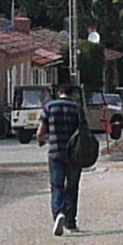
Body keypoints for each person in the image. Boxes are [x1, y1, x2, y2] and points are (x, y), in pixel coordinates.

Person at [41, 85, 93, 234]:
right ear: (72, 94)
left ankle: (59, 213)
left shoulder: (49, 107)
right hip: (74, 154)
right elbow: (85, 131)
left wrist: (42, 140)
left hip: (55, 153)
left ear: (59, 93)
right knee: (72, 187)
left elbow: (40, 132)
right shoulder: (77, 109)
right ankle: (71, 222)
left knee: (57, 185)